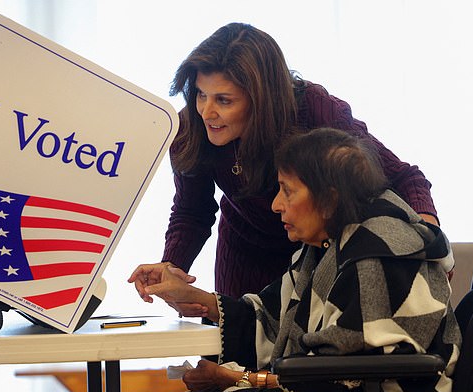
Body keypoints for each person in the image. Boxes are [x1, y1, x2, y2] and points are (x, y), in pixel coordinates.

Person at [129, 128, 461, 392]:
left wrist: (236, 379)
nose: (276, 205)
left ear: (329, 200)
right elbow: (273, 314)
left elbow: (345, 373)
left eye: (287, 191)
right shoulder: (330, 244)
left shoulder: (377, 254)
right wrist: (194, 300)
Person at [134, 22, 441, 300]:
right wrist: (171, 266)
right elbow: (192, 211)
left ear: (260, 98)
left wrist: (431, 243)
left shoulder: (318, 111)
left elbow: (403, 178)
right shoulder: (189, 128)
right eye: (201, 95)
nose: (206, 112)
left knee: (305, 356)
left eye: (224, 100)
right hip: (244, 252)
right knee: (235, 349)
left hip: (319, 253)